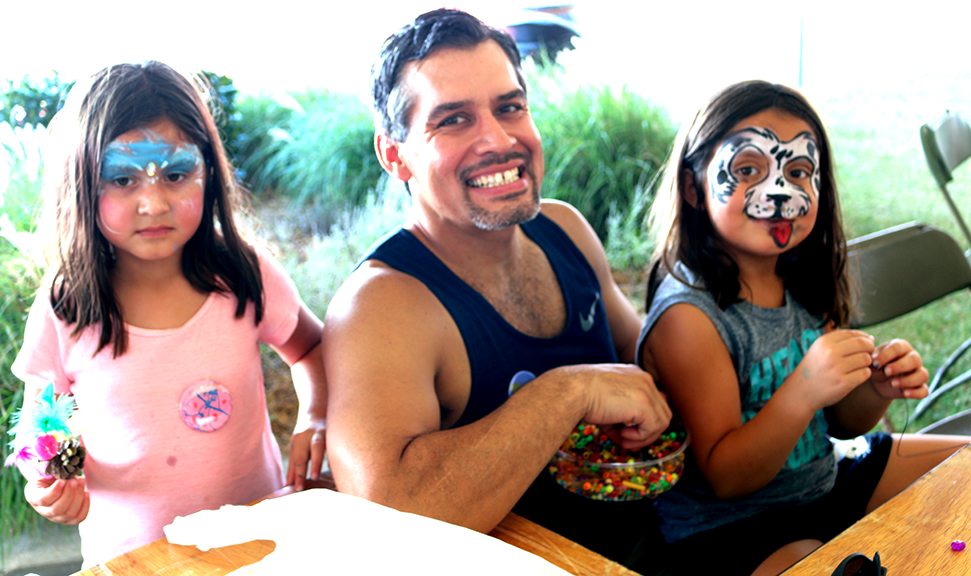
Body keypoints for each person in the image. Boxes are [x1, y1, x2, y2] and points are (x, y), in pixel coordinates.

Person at [322, 8, 671, 562]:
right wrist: (568, 391)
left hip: (650, 542)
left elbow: (649, 364)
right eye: (454, 120)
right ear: (395, 154)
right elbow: (386, 509)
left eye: (510, 107)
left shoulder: (564, 229)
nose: (499, 139)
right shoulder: (384, 304)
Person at [637, 80, 970, 576]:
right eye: (748, 169)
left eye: (798, 171)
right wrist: (805, 388)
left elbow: (838, 424)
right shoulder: (688, 318)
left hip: (825, 483)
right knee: (811, 562)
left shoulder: (805, 280)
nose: (779, 191)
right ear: (693, 186)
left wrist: (875, 390)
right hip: (728, 528)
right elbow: (727, 476)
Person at [10, 61, 328, 567]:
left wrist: (314, 415)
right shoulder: (68, 303)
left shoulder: (244, 273)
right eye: (122, 179)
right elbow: (34, 419)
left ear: (209, 172)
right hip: (135, 558)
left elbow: (312, 348)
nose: (153, 202)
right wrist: (44, 480)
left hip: (259, 541)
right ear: (81, 184)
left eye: (176, 174)